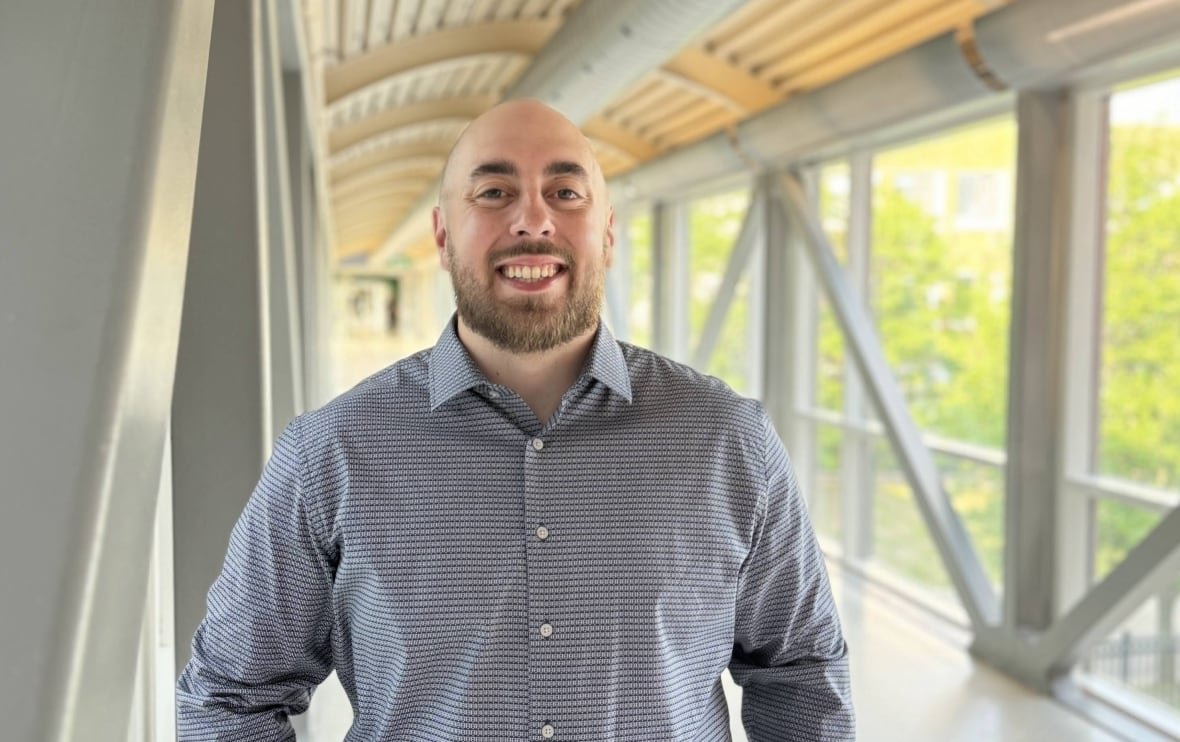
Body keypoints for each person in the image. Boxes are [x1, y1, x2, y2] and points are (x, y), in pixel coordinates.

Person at [176, 99, 854, 740]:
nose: (533, 221)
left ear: (608, 232)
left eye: (566, 193)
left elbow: (801, 673)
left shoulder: (727, 441)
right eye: (494, 193)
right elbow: (231, 694)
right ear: (443, 236)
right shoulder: (332, 451)